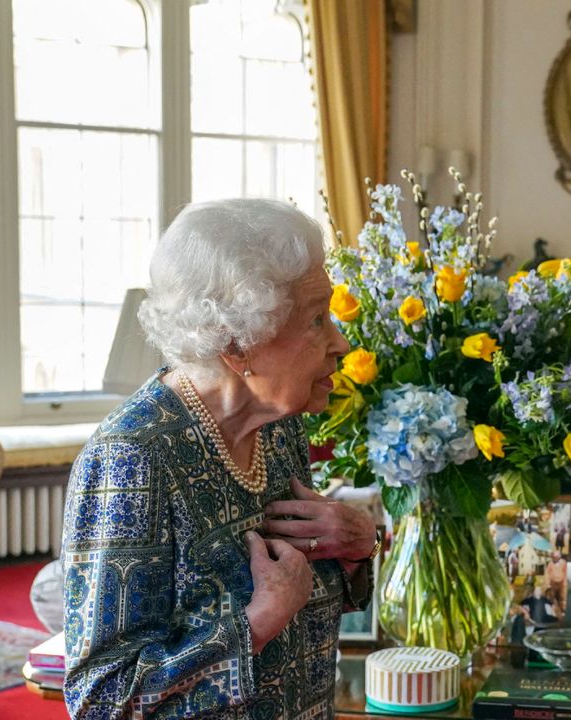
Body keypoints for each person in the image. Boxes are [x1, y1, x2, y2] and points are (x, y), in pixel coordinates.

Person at [62, 198, 379, 719]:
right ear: (240, 346)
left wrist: (356, 547)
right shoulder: (133, 459)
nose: (340, 342)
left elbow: (307, 598)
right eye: (317, 319)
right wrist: (257, 622)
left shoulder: (278, 425)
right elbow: (102, 700)